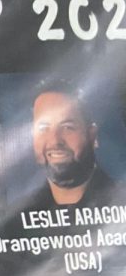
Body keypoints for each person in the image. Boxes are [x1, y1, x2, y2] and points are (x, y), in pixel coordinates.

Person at [24, 82, 121, 210]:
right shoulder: (15, 216)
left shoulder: (121, 200)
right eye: (43, 128)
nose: (55, 141)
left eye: (67, 127)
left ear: (92, 136)